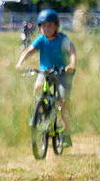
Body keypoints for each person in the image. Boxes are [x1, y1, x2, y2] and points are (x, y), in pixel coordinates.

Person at [15, 9, 77, 147]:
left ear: (56, 26)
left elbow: (72, 50)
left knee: (63, 101)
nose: (46, 28)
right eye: (43, 25)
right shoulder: (41, 40)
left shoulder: (62, 39)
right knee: (37, 88)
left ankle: (66, 134)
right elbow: (29, 51)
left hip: (62, 72)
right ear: (39, 27)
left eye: (49, 25)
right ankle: (38, 113)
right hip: (45, 71)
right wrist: (20, 63)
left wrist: (72, 64)